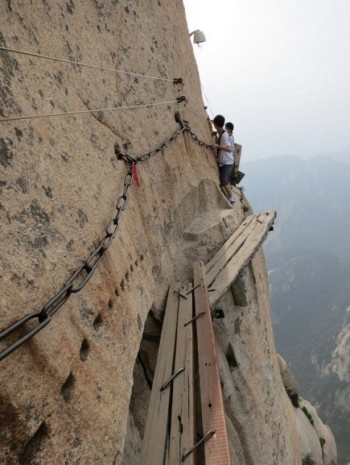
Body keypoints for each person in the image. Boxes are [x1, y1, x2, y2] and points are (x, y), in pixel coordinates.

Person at [211, 115, 235, 205]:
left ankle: (231, 198)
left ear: (216, 125)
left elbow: (229, 149)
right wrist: (212, 121)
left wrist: (218, 146)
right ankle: (229, 195)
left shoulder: (225, 135)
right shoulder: (220, 131)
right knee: (224, 180)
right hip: (223, 162)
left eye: (214, 124)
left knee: (223, 180)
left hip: (227, 162)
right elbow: (217, 128)